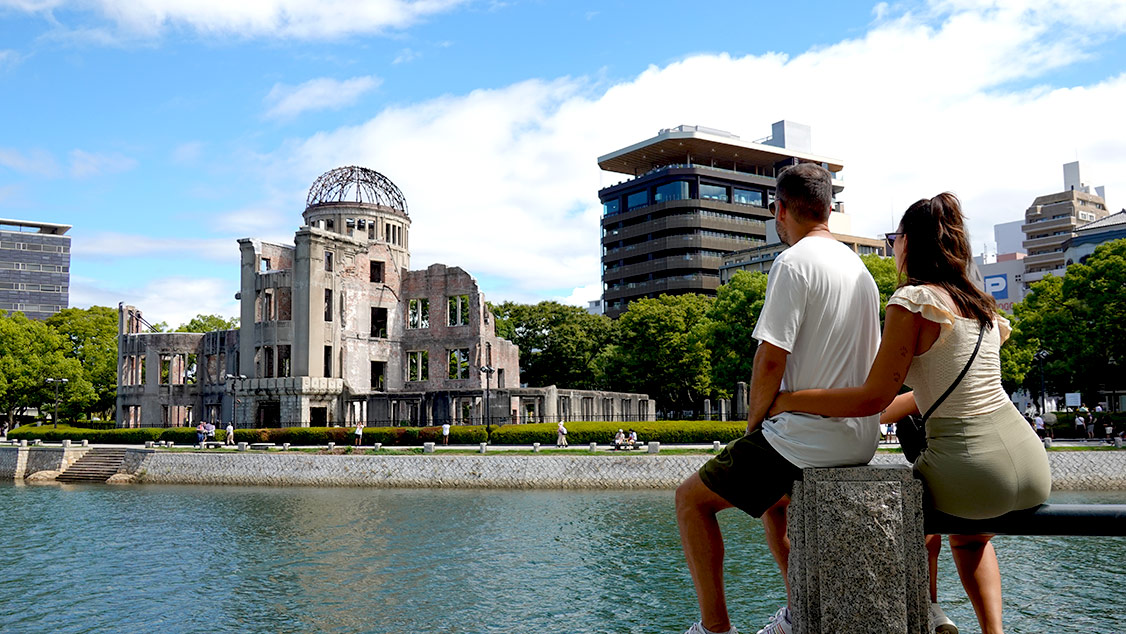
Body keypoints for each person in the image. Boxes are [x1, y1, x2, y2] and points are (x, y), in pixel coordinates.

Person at [770, 192, 1051, 634]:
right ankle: (994, 632)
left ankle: (931, 610)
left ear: (909, 242)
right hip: (1032, 466)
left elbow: (873, 397)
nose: (893, 247)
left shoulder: (914, 301)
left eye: (894, 237)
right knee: (971, 539)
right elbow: (933, 396)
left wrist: (790, 399)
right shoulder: (983, 309)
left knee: (907, 505)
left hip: (972, 470)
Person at [676, 163, 881, 634]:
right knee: (775, 506)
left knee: (690, 501)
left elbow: (770, 360)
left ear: (779, 211)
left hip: (808, 435)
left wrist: (754, 428)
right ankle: (798, 614)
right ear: (829, 208)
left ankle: (714, 629)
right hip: (859, 438)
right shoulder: (862, 272)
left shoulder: (793, 263)